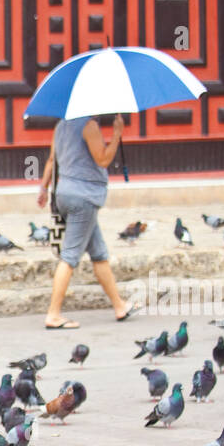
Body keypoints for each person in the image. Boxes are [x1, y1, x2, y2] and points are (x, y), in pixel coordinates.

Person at [37, 113, 138, 330]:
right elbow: (102, 159)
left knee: (99, 253)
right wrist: (117, 134)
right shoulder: (89, 125)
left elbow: (52, 160)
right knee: (70, 255)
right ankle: (53, 314)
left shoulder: (60, 126)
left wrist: (43, 188)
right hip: (84, 197)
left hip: (64, 193)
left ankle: (119, 306)